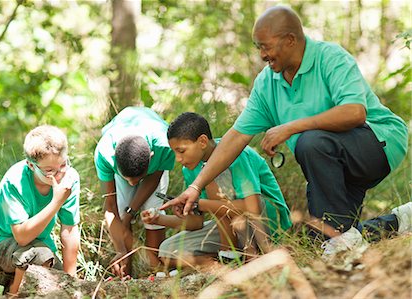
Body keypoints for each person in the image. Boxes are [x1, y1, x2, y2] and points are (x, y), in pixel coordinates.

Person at [162, 6, 410, 260]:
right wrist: (195, 186)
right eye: (258, 47)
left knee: (310, 141)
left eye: (265, 46)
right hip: (332, 162)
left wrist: (291, 127)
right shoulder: (267, 83)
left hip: (378, 142)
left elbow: (355, 112)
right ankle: (399, 221)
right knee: (324, 240)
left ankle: (343, 239)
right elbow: (235, 137)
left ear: (290, 40)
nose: (261, 55)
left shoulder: (330, 58)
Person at [142, 112, 291, 268]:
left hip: (265, 223)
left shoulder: (236, 154)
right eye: (174, 152)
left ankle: (230, 254)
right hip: (229, 227)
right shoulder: (190, 169)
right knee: (168, 251)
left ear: (202, 141)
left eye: (181, 151)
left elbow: (252, 208)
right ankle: (221, 264)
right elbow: (196, 223)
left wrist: (200, 204)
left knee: (215, 174)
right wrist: (159, 219)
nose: (178, 159)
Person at [0, 125, 80, 295]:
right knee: (38, 255)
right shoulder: (15, 181)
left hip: (40, 244)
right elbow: (22, 237)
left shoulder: (70, 178)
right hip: (0, 241)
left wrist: (72, 281)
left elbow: (69, 229)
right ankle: (13, 293)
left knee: (59, 280)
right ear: (31, 166)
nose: (59, 175)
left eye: (63, 165)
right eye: (49, 170)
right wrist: (56, 202)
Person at [94, 106, 175, 277]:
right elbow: (110, 205)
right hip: (123, 145)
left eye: (137, 179)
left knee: (153, 211)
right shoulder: (105, 153)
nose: (133, 183)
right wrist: (120, 249)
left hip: (153, 163)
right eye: (128, 178)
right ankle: (126, 274)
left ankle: (157, 272)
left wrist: (131, 213)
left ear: (151, 157)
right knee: (121, 209)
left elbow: (154, 178)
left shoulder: (164, 146)